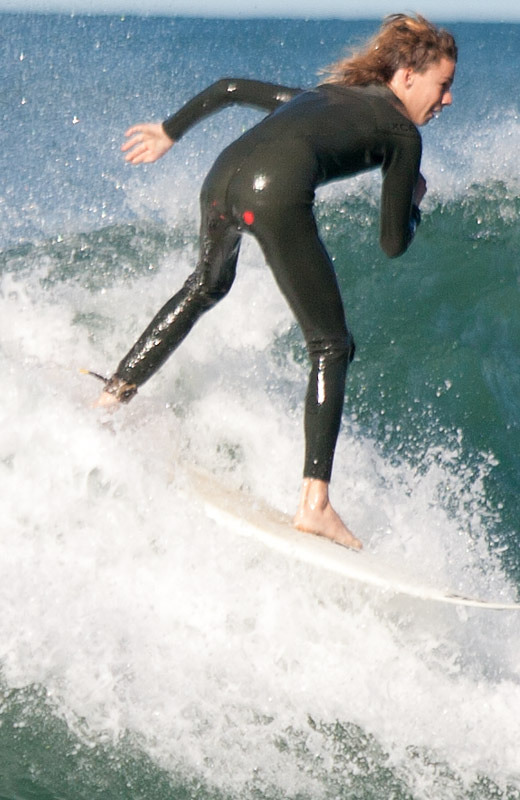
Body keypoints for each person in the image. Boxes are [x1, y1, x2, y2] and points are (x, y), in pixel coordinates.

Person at [94, 13, 457, 550]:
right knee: (332, 344)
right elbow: (393, 242)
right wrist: (416, 202)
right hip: (274, 191)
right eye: (443, 85)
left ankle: (111, 398)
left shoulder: (325, 94)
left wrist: (168, 132)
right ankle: (316, 504)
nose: (446, 100)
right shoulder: (402, 134)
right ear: (406, 76)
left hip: (222, 178)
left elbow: (230, 88)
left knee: (207, 285)